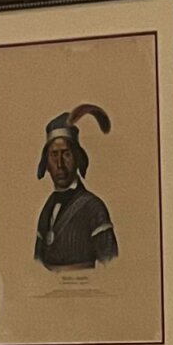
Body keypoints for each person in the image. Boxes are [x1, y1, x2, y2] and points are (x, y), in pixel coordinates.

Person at [32, 104, 118, 270]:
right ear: (46, 163)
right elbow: (36, 266)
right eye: (54, 155)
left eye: (66, 154)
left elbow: (113, 269)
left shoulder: (94, 208)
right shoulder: (46, 209)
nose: (60, 164)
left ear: (78, 158)